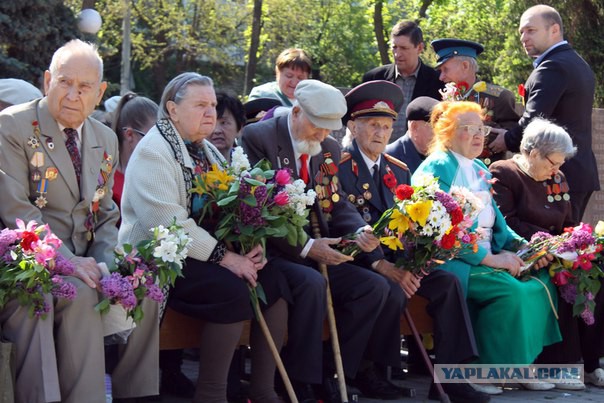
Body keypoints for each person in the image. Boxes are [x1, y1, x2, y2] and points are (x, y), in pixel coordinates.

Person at [118, 72, 289, 403]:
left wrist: (250, 245)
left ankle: (263, 390)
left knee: (276, 283)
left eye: (212, 105)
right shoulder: (155, 149)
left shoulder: (205, 148)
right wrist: (229, 259)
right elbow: (169, 224)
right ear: (172, 109)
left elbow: (229, 208)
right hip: (160, 260)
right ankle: (211, 393)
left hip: (203, 255)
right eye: (200, 105)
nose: (211, 113)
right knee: (231, 290)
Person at [242, 79, 407, 401]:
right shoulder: (258, 137)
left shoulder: (328, 147)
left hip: (317, 246)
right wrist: (306, 247)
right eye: (318, 126)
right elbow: (258, 211)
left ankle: (335, 372)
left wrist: (359, 230)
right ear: (297, 112)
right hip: (273, 251)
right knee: (311, 283)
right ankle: (301, 379)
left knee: (372, 287)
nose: (323, 135)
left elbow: (336, 202)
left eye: (329, 128)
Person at [338, 80, 489, 403]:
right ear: (353, 126)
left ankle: (450, 379)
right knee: (388, 288)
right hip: (359, 260)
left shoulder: (398, 169)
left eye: (387, 126)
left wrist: (418, 263)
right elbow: (344, 221)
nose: (381, 133)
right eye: (373, 125)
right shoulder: (338, 166)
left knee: (447, 282)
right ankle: (368, 371)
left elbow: (413, 223)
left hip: (399, 259)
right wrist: (385, 266)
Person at [412, 101, 561, 391]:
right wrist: (488, 259)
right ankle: (482, 371)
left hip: (485, 254)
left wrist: (524, 247)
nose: (479, 136)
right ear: (447, 132)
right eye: (469, 129)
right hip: (452, 260)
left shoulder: (479, 166)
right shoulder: (436, 166)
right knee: (511, 291)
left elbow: (496, 224)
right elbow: (435, 229)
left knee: (540, 282)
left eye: (481, 129)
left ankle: (518, 366)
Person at [0, 39, 118, 403]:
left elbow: (106, 214)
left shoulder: (105, 138)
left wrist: (106, 266)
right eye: (65, 82)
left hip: (84, 260)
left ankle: (137, 394)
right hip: (24, 255)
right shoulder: (14, 125)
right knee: (76, 294)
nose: (72, 95)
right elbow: (18, 211)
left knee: (133, 290)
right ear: (47, 79)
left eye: (84, 87)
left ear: (99, 93)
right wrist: (69, 262)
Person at [490, 117, 604, 389]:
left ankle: (590, 363)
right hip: (526, 251)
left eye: (561, 163)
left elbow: (567, 220)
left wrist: (578, 240)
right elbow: (506, 222)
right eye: (552, 162)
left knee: (598, 270)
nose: (556, 170)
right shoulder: (504, 172)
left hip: (557, 247)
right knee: (562, 277)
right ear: (531, 152)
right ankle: (558, 365)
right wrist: (551, 243)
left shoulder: (558, 176)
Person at [490, 4, 599, 222]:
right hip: (575, 170)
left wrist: (506, 139)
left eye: (531, 30)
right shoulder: (576, 62)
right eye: (521, 32)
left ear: (554, 30)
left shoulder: (553, 66)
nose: (523, 38)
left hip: (558, 171)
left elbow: (534, 121)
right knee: (565, 247)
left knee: (553, 247)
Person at [431, 38, 521, 165]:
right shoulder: (447, 97)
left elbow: (511, 137)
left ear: (465, 66)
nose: (441, 77)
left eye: (445, 69)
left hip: (486, 171)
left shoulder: (499, 96)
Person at [362, 20, 443, 142]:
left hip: (419, 155)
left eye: (404, 48)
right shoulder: (374, 78)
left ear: (419, 48)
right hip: (378, 152)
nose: (397, 54)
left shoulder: (438, 81)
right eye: (394, 47)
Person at [111, 92, 159, 209]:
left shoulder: (158, 172)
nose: (160, 145)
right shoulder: (105, 177)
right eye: (152, 138)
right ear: (130, 135)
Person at [385, 96, 439, 174]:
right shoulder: (390, 157)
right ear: (415, 127)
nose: (441, 133)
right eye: (435, 127)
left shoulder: (441, 156)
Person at [208, 91, 246, 162]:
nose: (217, 130)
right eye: (210, 123)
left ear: (239, 128)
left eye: (224, 123)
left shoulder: (247, 169)